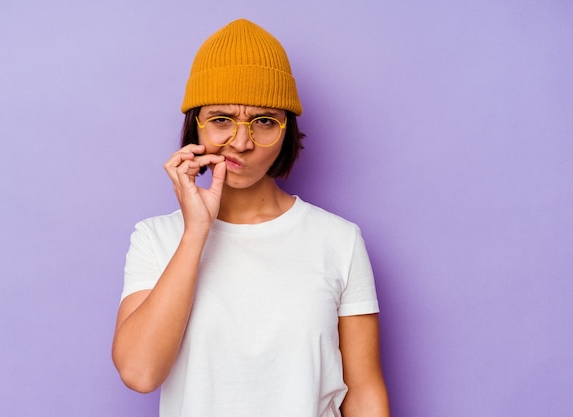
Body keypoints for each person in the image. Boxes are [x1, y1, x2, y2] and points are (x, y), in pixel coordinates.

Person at [112, 18, 390, 417]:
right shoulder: (155, 238)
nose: (241, 143)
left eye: (264, 122)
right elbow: (140, 373)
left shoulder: (338, 239)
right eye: (221, 119)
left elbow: (364, 392)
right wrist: (196, 233)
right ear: (196, 125)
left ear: (287, 130)